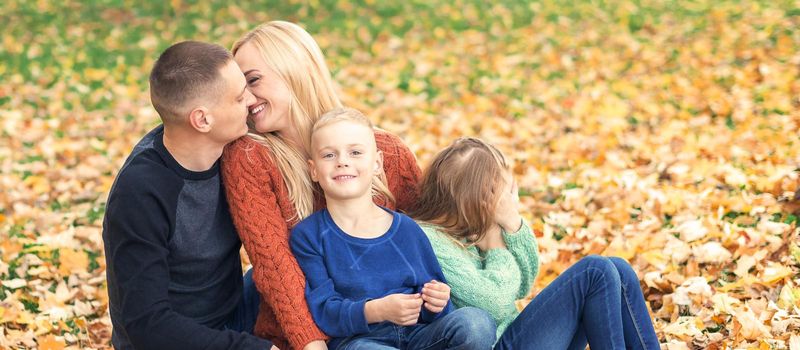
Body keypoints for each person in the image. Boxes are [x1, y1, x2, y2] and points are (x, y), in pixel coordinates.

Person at [221, 22, 421, 349]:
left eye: (253, 80)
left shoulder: (387, 152)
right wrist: (312, 345)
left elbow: (433, 240)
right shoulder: (250, 158)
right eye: (239, 90)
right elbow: (276, 269)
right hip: (318, 338)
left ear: (295, 70)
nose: (246, 98)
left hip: (403, 328)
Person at [410, 137, 661, 349]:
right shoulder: (430, 240)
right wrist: (497, 247)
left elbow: (524, 284)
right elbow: (495, 303)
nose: (508, 200)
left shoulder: (470, 229)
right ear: (476, 199)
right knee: (596, 271)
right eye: (504, 193)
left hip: (517, 336)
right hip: (498, 344)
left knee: (618, 269)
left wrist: (513, 225)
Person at [102, 41, 272, 349]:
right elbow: (146, 324)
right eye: (238, 97)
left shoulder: (235, 151)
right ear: (202, 120)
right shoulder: (142, 192)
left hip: (234, 314)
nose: (251, 100)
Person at [289, 107, 496, 349]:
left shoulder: (406, 229)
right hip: (360, 341)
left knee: (476, 322)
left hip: (418, 337)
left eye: (355, 152)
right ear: (313, 170)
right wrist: (377, 310)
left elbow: (434, 304)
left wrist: (436, 302)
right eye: (329, 156)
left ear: (377, 163)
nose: (343, 162)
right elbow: (324, 311)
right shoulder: (309, 236)